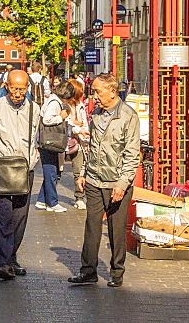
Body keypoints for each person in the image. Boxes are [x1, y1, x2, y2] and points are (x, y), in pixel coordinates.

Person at [68, 73, 141, 289]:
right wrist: (83, 172)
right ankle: (88, 271)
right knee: (91, 225)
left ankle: (117, 271)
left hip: (116, 182)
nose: (95, 96)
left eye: (98, 91)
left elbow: (132, 153)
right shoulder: (96, 114)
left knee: (115, 229)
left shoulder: (128, 116)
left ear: (112, 91)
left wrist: (122, 183)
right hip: (94, 179)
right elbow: (90, 147)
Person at [0, 70, 39, 279]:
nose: (18, 93)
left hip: (25, 167)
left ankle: (11, 257)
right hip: (2, 167)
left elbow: (36, 136)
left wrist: (33, 159)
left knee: (20, 216)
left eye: (22, 89)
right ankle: (4, 263)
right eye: (14, 88)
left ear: (27, 88)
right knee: (3, 215)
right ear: (6, 86)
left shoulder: (35, 109)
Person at [35, 80, 74, 212]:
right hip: (49, 141)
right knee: (51, 172)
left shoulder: (53, 100)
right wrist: (61, 117)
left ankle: (41, 200)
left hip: (47, 141)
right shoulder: (54, 103)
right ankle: (52, 202)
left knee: (51, 171)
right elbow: (47, 119)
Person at [66, 79, 90, 210]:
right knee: (55, 174)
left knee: (79, 169)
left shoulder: (80, 105)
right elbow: (66, 122)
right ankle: (45, 199)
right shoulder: (63, 104)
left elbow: (84, 122)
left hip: (78, 142)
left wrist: (85, 136)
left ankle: (79, 197)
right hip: (64, 141)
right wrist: (77, 127)